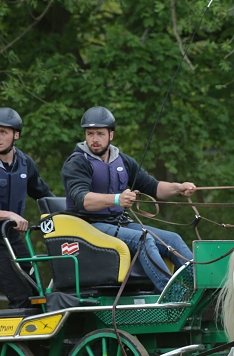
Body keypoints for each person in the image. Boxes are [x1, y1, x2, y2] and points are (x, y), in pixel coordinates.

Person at [61, 106, 196, 293]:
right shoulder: (77, 162)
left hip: (120, 224)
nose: (94, 139)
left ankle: (200, 286)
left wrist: (178, 188)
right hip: (89, 227)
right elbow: (82, 199)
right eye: (90, 133)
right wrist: (117, 199)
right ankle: (172, 293)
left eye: (100, 134)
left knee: (173, 239)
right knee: (143, 238)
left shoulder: (123, 161)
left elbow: (155, 187)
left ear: (111, 135)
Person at [0, 108, 54, 308]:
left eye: (3, 132)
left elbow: (44, 195)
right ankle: (12, 340)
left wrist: (68, 215)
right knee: (21, 297)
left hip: (12, 237)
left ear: (16, 135)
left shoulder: (24, 163)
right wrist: (9, 215)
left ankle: (43, 338)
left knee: (39, 293)